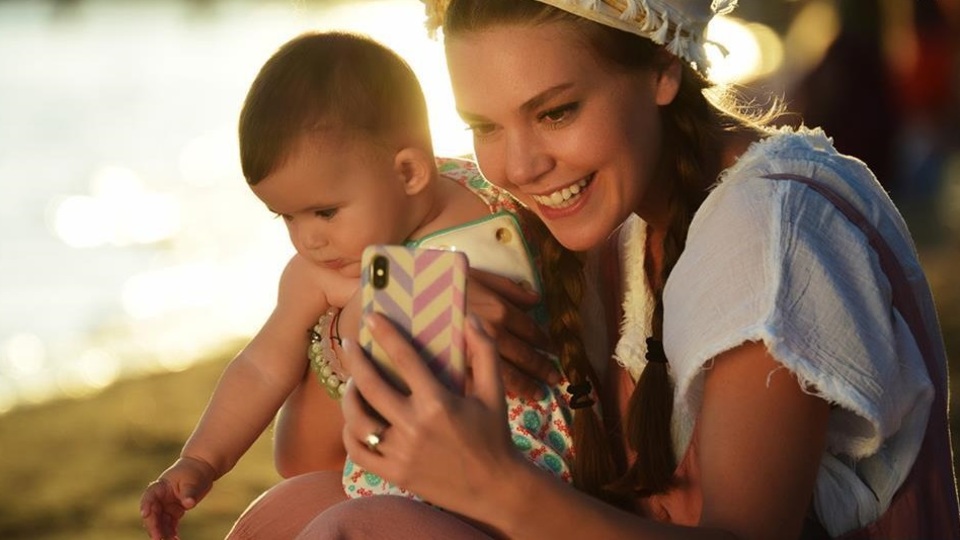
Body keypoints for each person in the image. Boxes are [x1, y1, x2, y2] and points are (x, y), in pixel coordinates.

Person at [267, 0, 958, 538]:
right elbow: (310, 466)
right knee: (293, 512)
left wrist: (493, 483)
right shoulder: (596, 217)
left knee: (355, 530)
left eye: (557, 111)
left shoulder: (768, 231)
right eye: (484, 125)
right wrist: (365, 326)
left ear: (663, 67)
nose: (518, 167)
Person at [139, 30, 599, 540]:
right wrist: (199, 461)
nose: (308, 239)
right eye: (285, 218)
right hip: (426, 489)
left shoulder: (498, 192)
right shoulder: (328, 271)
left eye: (325, 211)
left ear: (409, 172)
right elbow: (262, 366)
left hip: (547, 481)